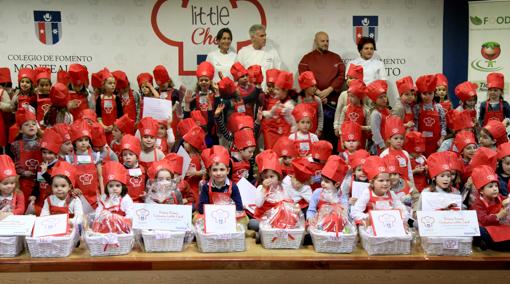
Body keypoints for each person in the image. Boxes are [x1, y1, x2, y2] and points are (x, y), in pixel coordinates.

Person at [298, 32, 345, 150]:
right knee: (314, 131)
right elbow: (303, 75)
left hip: (332, 101)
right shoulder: (307, 58)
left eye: (327, 41)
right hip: (313, 101)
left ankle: (332, 157)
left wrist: (329, 89)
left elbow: (341, 75)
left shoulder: (336, 57)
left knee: (331, 132)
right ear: (316, 41)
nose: (325, 43)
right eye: (322, 41)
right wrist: (317, 92)